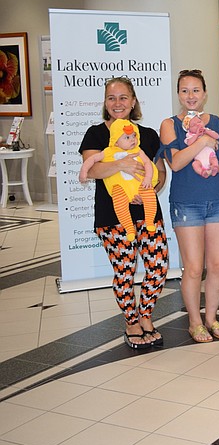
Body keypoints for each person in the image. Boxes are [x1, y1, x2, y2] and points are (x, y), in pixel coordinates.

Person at [79, 77, 169, 349]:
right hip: (112, 217)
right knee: (125, 270)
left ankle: (146, 316)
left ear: (133, 101)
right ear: (105, 103)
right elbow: (92, 170)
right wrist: (123, 166)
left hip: (148, 213)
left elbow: (160, 171)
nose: (118, 103)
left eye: (123, 97)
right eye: (111, 98)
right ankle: (131, 321)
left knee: (158, 266)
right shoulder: (96, 134)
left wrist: (150, 187)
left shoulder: (149, 135)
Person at [158, 69, 219, 344]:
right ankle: (195, 322)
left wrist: (218, 168)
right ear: (178, 94)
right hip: (186, 204)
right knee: (194, 268)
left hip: (217, 201)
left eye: (196, 90)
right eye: (185, 90)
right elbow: (177, 162)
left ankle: (211, 317)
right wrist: (204, 142)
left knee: (218, 264)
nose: (190, 96)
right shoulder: (169, 124)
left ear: (205, 93)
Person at [79, 119, 158, 243]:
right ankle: (129, 229)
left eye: (134, 136)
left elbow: (148, 163)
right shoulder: (108, 152)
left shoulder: (138, 150)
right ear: (116, 142)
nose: (132, 140)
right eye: (127, 137)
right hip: (118, 192)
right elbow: (91, 160)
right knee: (119, 204)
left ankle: (149, 221)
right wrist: (83, 171)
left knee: (149, 195)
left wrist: (148, 179)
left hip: (140, 187)